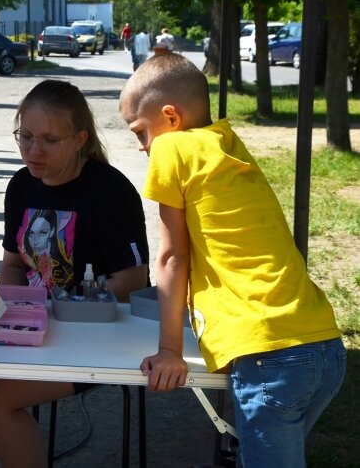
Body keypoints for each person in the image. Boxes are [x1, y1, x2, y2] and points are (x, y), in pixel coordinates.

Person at [118, 53, 345, 467]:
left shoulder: (173, 147)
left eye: (140, 131)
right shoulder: (225, 142)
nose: (141, 145)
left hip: (270, 356)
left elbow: (171, 255)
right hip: (323, 347)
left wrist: (169, 350)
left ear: (170, 117)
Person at [0, 80, 150, 468]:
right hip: (35, 329)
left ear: (79, 139)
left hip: (99, 339)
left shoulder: (111, 191)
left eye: (49, 140)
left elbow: (134, 279)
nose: (34, 150)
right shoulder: (20, 185)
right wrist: (8, 316)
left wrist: (62, 308)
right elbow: (13, 265)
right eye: (26, 136)